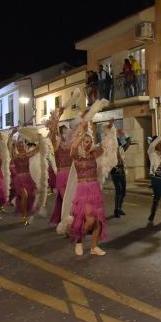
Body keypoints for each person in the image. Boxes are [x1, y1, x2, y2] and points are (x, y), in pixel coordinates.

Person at [67, 118, 117, 256]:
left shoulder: (94, 154)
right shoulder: (76, 156)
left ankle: (94, 247)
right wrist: (82, 132)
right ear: (82, 143)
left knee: (98, 220)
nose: (88, 144)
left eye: (90, 142)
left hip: (94, 188)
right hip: (83, 190)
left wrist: (110, 128)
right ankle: (78, 239)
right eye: (86, 142)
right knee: (89, 219)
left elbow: (106, 145)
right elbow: (73, 147)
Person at [8, 128, 47, 226]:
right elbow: (9, 146)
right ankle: (24, 217)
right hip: (19, 180)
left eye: (22, 146)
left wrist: (40, 138)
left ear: (24, 146)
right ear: (17, 147)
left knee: (30, 197)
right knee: (24, 195)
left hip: (28, 179)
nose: (21, 147)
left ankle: (26, 213)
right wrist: (12, 134)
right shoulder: (15, 156)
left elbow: (38, 148)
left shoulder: (27, 155)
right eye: (19, 146)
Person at [48, 109, 73, 225]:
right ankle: (66, 224)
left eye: (67, 132)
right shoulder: (56, 144)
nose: (66, 134)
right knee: (66, 201)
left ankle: (72, 222)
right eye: (64, 132)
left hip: (72, 176)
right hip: (62, 176)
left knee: (72, 202)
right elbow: (53, 135)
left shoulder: (71, 145)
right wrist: (56, 120)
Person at [110, 129, 132, 218]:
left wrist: (125, 133)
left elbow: (129, 141)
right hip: (115, 171)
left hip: (122, 171)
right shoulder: (110, 151)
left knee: (123, 192)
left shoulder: (121, 149)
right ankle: (116, 210)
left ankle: (119, 208)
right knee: (118, 190)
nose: (117, 143)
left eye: (118, 141)